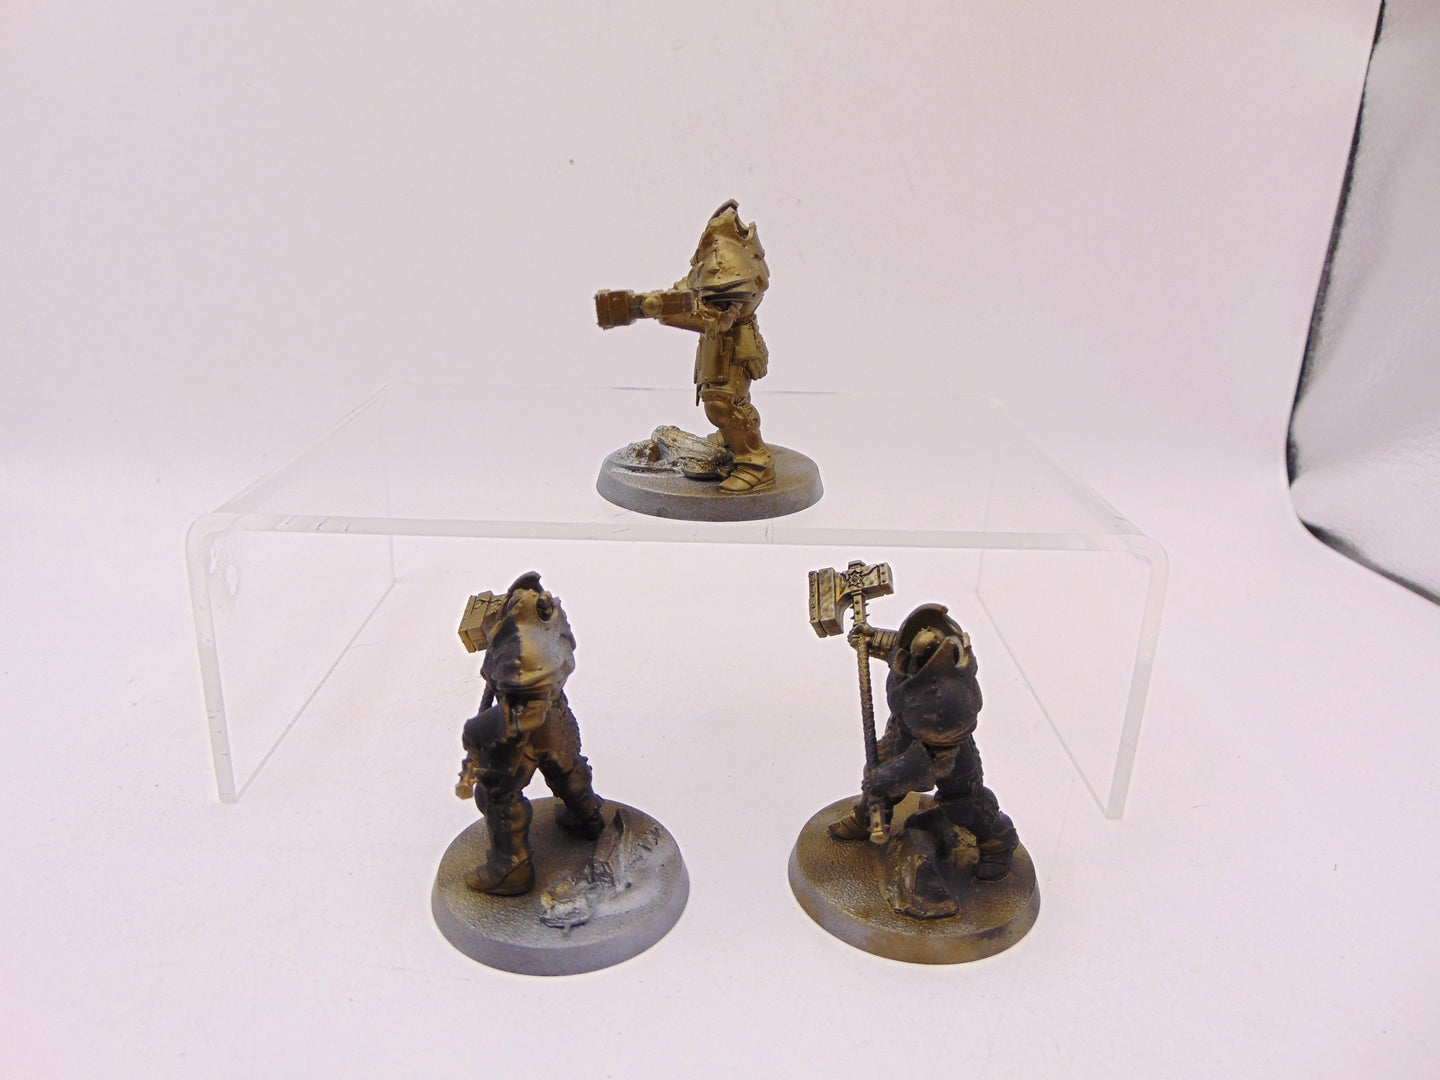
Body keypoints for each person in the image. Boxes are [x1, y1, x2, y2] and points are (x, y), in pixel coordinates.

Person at [829, 604, 1020, 918]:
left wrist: (887, 778)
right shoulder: (914, 659)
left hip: (947, 757)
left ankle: (999, 841)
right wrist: (870, 637)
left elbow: (931, 765)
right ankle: (868, 817)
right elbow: (896, 647)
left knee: (963, 806)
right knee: (879, 777)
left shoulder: (948, 699)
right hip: (905, 733)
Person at [457, 573, 605, 896]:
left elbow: (522, 700)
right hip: (553, 710)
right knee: (565, 766)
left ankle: (511, 868)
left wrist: (478, 732)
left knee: (496, 793)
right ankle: (588, 815)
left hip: (522, 723)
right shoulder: (547, 615)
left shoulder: (522, 636)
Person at [642, 200, 774, 492]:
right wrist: (661, 303)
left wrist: (668, 311)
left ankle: (755, 463)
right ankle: (732, 437)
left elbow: (721, 314)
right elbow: (693, 286)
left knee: (722, 403)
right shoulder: (719, 252)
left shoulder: (734, 261)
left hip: (733, 342)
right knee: (727, 399)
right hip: (720, 342)